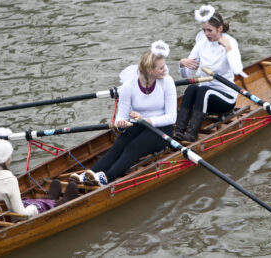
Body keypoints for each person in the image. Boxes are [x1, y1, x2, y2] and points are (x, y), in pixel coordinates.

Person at [71, 40, 177, 186]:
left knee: (134, 147)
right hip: (139, 125)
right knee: (119, 144)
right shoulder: (129, 86)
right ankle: (88, 175)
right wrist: (121, 124)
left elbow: (172, 117)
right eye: (161, 68)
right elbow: (121, 116)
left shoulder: (167, 82)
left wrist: (147, 121)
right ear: (149, 70)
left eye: (164, 66)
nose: (165, 70)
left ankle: (107, 178)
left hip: (162, 129)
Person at [175, 5, 247, 142]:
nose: (206, 34)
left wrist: (228, 48)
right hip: (205, 98)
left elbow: (238, 69)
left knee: (203, 90)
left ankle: (191, 135)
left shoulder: (230, 42)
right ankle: (179, 131)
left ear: (220, 28)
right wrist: (182, 64)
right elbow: (186, 75)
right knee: (191, 88)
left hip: (225, 98)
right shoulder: (201, 43)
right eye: (204, 30)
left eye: (210, 30)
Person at [0, 139, 79, 218]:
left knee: (28, 201)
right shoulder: (10, 179)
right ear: (7, 160)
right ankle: (62, 201)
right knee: (35, 206)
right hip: (13, 219)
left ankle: (50, 200)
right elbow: (21, 214)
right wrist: (33, 209)